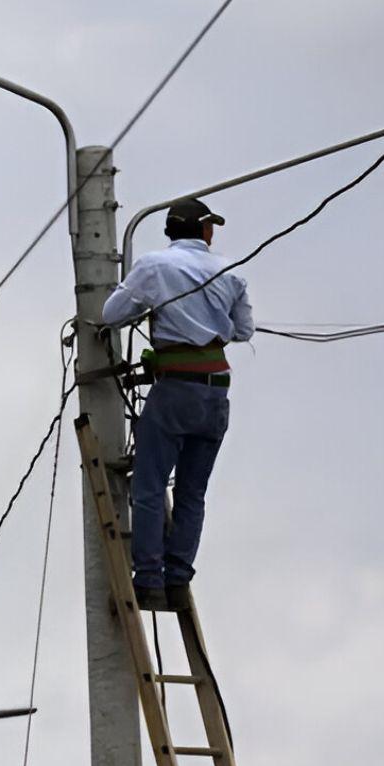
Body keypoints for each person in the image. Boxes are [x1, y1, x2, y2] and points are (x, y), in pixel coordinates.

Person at [102, 198, 253, 611]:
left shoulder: (154, 266)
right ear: (202, 231)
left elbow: (111, 313)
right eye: (210, 227)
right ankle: (178, 580)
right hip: (216, 390)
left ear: (171, 231)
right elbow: (243, 330)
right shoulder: (230, 272)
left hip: (176, 388)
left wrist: (156, 307)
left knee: (150, 485)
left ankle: (149, 580)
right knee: (192, 493)